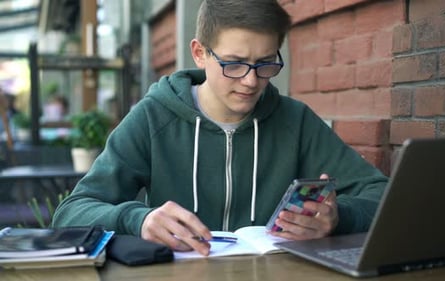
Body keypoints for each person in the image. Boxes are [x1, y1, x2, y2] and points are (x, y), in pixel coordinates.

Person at [52, 0, 388, 256]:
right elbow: (70, 213)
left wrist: (337, 217)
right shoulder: (153, 118)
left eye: (265, 63)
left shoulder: (295, 121)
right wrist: (138, 220)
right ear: (199, 53)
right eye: (235, 63)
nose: (251, 81)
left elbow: (382, 194)